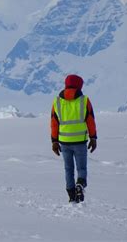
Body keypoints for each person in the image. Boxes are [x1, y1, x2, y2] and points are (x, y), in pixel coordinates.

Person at [50, 74, 97, 203]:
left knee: (68, 169)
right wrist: (93, 138)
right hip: (80, 141)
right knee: (81, 168)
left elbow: (54, 123)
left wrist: (54, 141)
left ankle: (71, 196)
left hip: (64, 142)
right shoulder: (84, 100)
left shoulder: (57, 101)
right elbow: (90, 121)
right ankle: (80, 185)